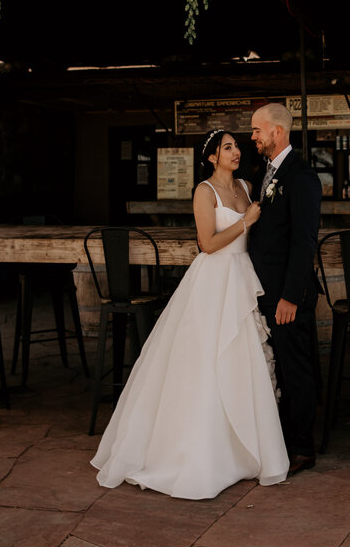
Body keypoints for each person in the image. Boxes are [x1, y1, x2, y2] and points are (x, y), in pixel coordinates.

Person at [91, 129, 289, 499]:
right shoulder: (204, 191)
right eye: (227, 147)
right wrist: (247, 221)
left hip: (244, 278)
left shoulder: (247, 186)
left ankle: (244, 451)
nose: (235, 152)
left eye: (236, 147)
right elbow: (207, 244)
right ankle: (201, 454)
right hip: (215, 279)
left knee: (244, 362)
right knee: (206, 363)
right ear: (212, 156)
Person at [248, 103, 322, 474]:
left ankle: (302, 450)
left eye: (257, 130)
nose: (253, 136)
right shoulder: (265, 172)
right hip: (266, 291)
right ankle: (279, 440)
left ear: (277, 131)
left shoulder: (302, 176)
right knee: (276, 367)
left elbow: (304, 241)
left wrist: (291, 296)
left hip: (287, 296)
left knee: (295, 369)